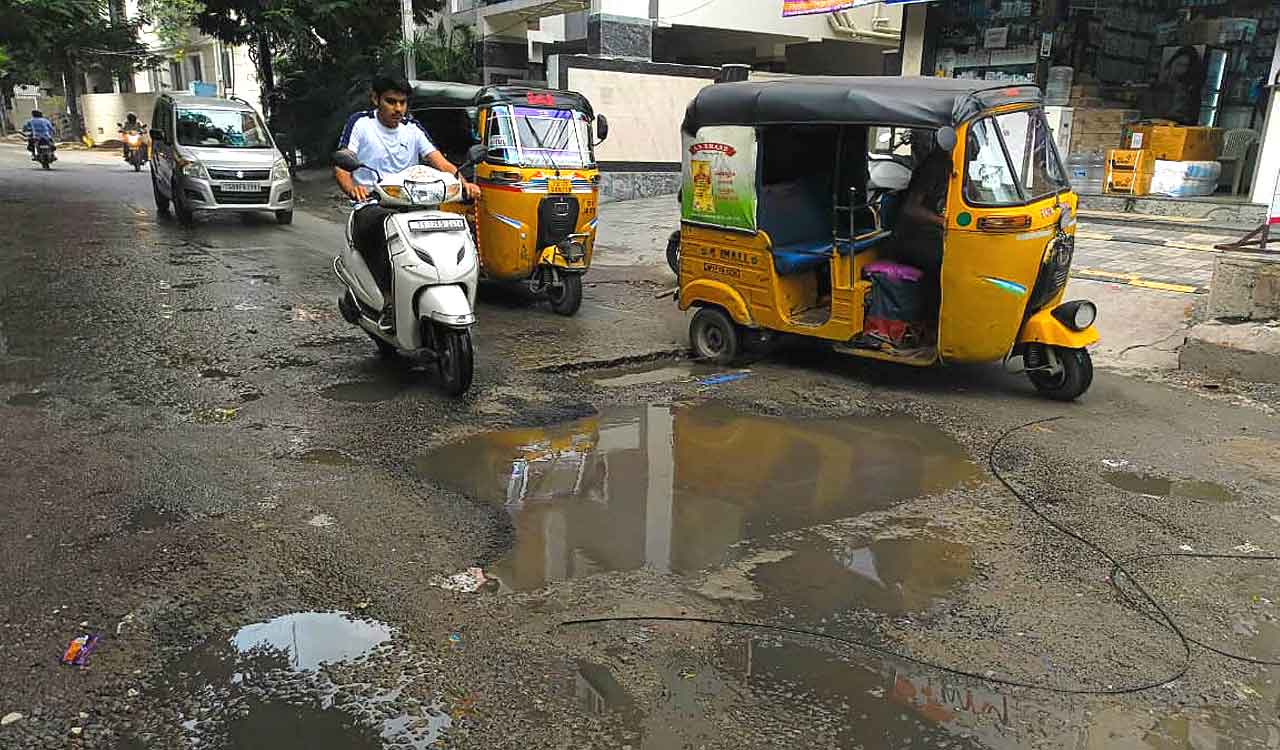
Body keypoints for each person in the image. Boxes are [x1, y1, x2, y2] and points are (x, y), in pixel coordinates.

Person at [333, 74, 480, 328]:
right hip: (373, 204)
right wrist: (352, 188)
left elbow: (438, 160)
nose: (398, 109)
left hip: (414, 204)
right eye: (391, 101)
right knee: (383, 231)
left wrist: (462, 181)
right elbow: (343, 163)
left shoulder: (412, 128)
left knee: (449, 226)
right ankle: (389, 301)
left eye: (402, 102)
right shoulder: (361, 124)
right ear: (375, 99)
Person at [894, 128, 949, 308]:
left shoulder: (957, 165)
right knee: (944, 262)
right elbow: (910, 209)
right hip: (912, 238)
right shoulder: (934, 167)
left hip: (933, 235)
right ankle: (931, 318)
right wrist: (942, 222)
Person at [1142, 46, 1205, 125]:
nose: (1178, 69)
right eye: (1178, 64)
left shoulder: (1189, 93)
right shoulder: (1157, 88)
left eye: (1184, 66)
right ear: (1172, 63)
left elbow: (1186, 119)